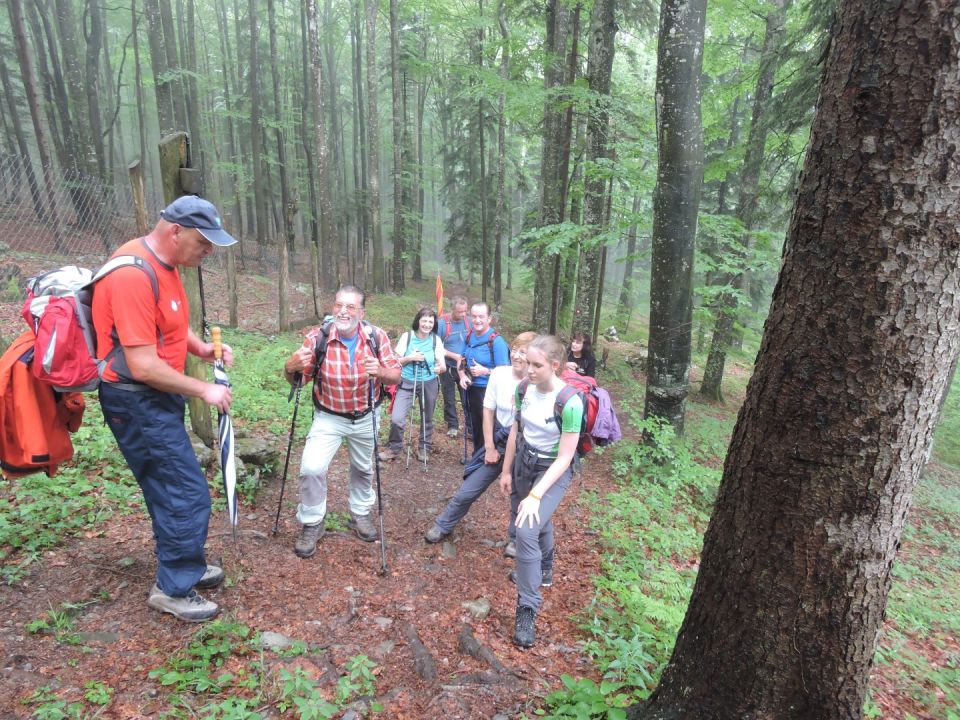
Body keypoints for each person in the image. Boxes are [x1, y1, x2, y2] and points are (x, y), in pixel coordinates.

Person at [93, 195, 237, 623]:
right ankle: (173, 588)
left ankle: (184, 563)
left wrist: (202, 349)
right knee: (185, 493)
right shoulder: (132, 275)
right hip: (137, 399)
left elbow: (169, 326)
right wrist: (203, 390)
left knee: (170, 485)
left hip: (155, 397)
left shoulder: (168, 266)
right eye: (203, 241)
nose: (208, 251)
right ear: (175, 230)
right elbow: (142, 364)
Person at [283, 285, 401, 559]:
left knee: (362, 469)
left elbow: (396, 376)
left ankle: (360, 514)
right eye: (339, 305)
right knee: (311, 468)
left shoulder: (376, 337)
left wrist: (380, 371)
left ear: (361, 312)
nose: (343, 311)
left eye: (350, 306)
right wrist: (290, 367)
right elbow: (299, 381)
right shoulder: (317, 337)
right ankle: (312, 522)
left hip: (366, 415)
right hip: (328, 416)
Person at [499, 335, 583, 648]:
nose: (528, 369)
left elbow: (565, 457)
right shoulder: (523, 390)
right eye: (527, 363)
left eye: (537, 365)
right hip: (524, 462)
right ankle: (544, 569)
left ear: (555, 366)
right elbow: (515, 433)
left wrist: (535, 494)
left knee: (525, 529)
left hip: (553, 471)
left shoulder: (570, 402)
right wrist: (506, 470)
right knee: (539, 522)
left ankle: (527, 608)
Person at [424, 331, 537, 548]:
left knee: (519, 495)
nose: (517, 356)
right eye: (514, 350)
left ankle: (515, 539)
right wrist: (489, 447)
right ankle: (444, 524)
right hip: (501, 440)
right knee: (469, 488)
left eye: (523, 352)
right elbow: (488, 411)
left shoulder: (537, 383)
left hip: (526, 446)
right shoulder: (499, 374)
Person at [379, 308, 446, 462]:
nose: (427, 324)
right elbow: (395, 362)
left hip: (429, 381)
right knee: (397, 418)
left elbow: (443, 366)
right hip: (406, 380)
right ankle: (394, 448)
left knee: (427, 416)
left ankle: (424, 448)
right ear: (418, 321)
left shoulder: (436, 340)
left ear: (434, 324)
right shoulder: (407, 337)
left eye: (431, 321)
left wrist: (439, 368)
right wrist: (410, 357)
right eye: (424, 320)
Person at [459, 302, 510, 452]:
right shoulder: (470, 336)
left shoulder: (496, 341)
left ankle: (492, 456)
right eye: (474, 316)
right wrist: (462, 376)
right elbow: (461, 360)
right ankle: (478, 456)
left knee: (489, 426)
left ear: (489, 319)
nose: (477, 320)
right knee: (475, 424)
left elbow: (506, 372)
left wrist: (485, 371)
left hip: (490, 391)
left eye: (481, 316)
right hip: (472, 388)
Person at [436, 296, 471, 439]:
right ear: (452, 310)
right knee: (449, 397)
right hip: (448, 367)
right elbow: (436, 346)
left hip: (465, 366)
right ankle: (452, 425)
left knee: (467, 397)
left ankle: (470, 426)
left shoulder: (469, 322)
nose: (462, 315)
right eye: (459, 312)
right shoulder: (442, 323)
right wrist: (454, 356)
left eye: (464, 311)